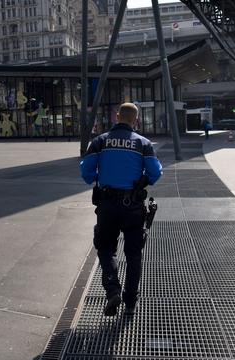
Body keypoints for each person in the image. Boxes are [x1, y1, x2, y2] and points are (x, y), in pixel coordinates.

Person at [80, 103, 162, 317]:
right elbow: (155, 173)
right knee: (134, 254)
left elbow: (86, 172)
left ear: (117, 117)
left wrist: (99, 177)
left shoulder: (100, 141)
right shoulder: (143, 144)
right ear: (135, 120)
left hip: (107, 204)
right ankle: (131, 301)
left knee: (106, 248)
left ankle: (112, 290)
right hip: (133, 206)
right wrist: (141, 180)